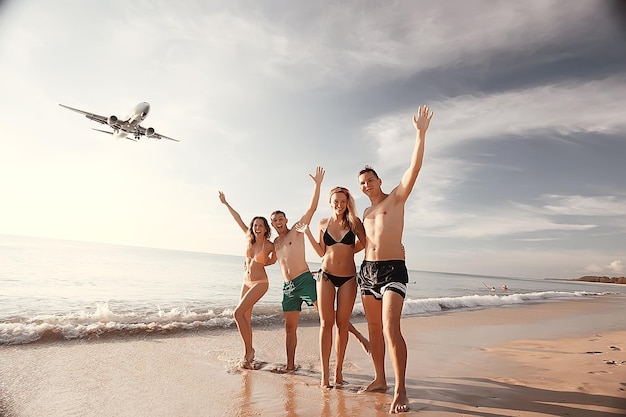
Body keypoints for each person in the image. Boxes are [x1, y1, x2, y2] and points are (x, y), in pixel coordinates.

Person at [356, 104, 433, 413]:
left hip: (393, 271)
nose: (366, 185)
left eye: (370, 180)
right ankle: (379, 379)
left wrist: (420, 133)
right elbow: (362, 243)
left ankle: (401, 389)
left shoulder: (396, 198)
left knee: (390, 328)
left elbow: (413, 169)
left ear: (379, 180)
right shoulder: (364, 212)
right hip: (367, 272)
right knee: (374, 330)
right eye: (362, 183)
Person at [271, 167, 367, 373]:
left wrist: (317, 185)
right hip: (289, 287)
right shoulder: (276, 243)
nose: (278, 222)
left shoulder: (296, 230)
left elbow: (311, 209)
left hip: (308, 280)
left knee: (332, 319)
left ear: (286, 220)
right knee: (293, 328)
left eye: (280, 219)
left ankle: (358, 338)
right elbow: (266, 257)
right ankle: (290, 366)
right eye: (274, 220)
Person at [299, 186, 369, 388]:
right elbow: (321, 252)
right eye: (335, 202)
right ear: (330, 203)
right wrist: (308, 233)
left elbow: (365, 244)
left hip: (348, 277)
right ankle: (324, 375)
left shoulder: (354, 222)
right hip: (326, 275)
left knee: (342, 324)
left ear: (348, 203)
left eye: (343, 201)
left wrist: (349, 251)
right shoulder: (323, 222)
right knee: (325, 324)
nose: (339, 205)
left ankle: (338, 372)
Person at [219, 191, 276, 368]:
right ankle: (248, 353)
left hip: (260, 283)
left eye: (261, 225)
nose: (257, 227)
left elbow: (274, 259)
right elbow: (238, 219)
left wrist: (265, 262)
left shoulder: (269, 245)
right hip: (246, 281)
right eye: (255, 225)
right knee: (245, 317)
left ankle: (249, 351)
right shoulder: (248, 238)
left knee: (237, 313)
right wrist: (226, 204)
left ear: (266, 228)